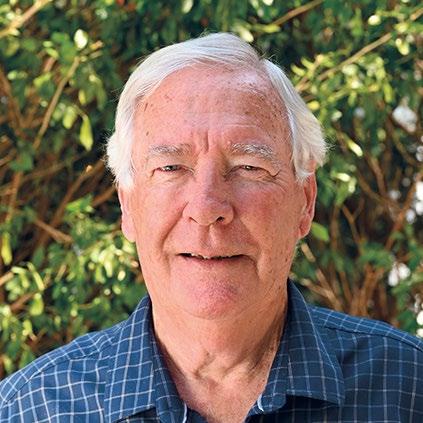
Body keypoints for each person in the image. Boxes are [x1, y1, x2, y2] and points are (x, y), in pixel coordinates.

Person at [0, 32, 422, 423]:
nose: (206, 208)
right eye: (171, 167)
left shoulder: (408, 389)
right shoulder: (29, 409)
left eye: (248, 167)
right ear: (127, 204)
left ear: (305, 201)